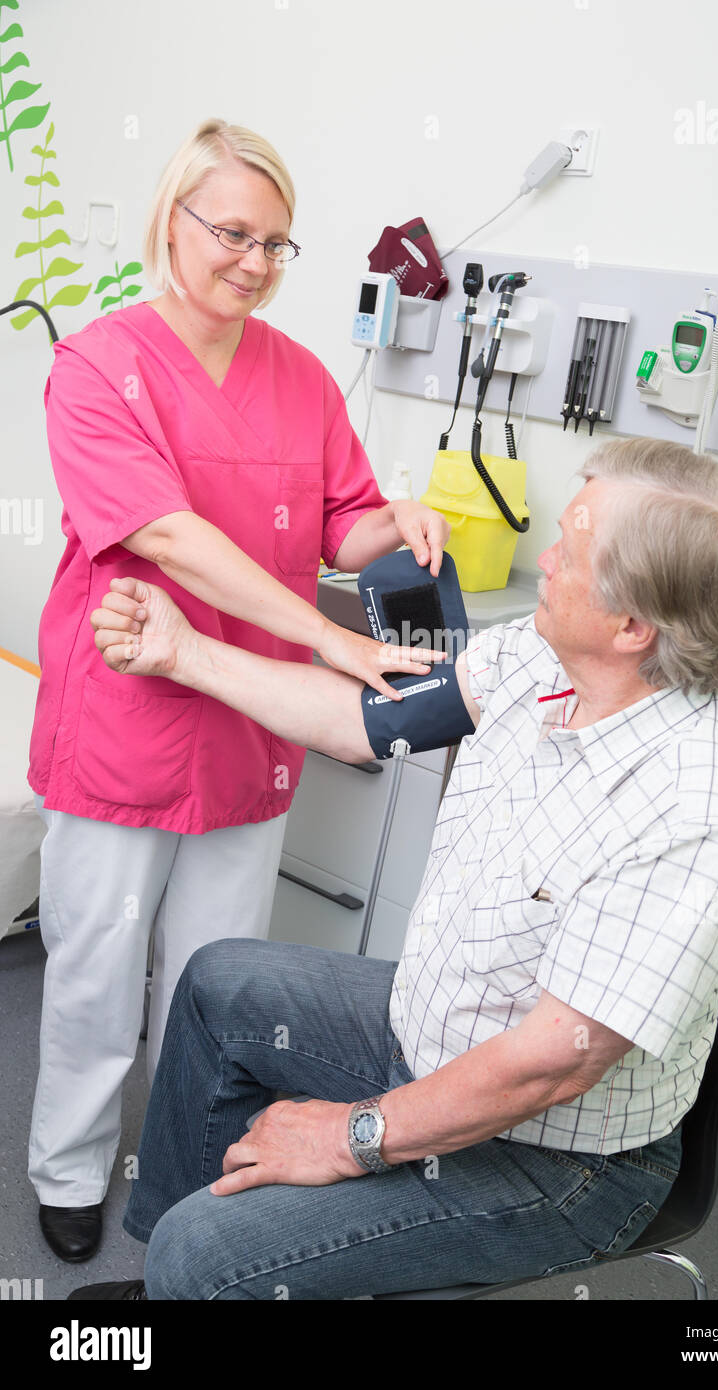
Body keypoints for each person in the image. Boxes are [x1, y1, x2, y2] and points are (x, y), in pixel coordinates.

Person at [71, 437, 718, 1300]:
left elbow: (551, 1064)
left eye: (569, 551)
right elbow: (364, 722)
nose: (545, 562)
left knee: (205, 1251)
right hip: (434, 1033)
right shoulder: (541, 660)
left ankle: (193, 1270)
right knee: (221, 984)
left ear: (633, 627)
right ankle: (170, 1287)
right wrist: (182, 654)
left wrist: (347, 1135)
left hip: (553, 1159)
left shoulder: (695, 805)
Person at [26, 117, 448, 1264]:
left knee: (218, 980)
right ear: (174, 221)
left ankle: (180, 1174)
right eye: (232, 233)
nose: (254, 262)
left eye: (276, 244)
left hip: (248, 724)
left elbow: (340, 518)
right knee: (97, 970)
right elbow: (166, 536)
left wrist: (393, 527)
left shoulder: (302, 378)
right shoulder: (97, 366)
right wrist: (330, 639)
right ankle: (68, 1168)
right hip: (127, 709)